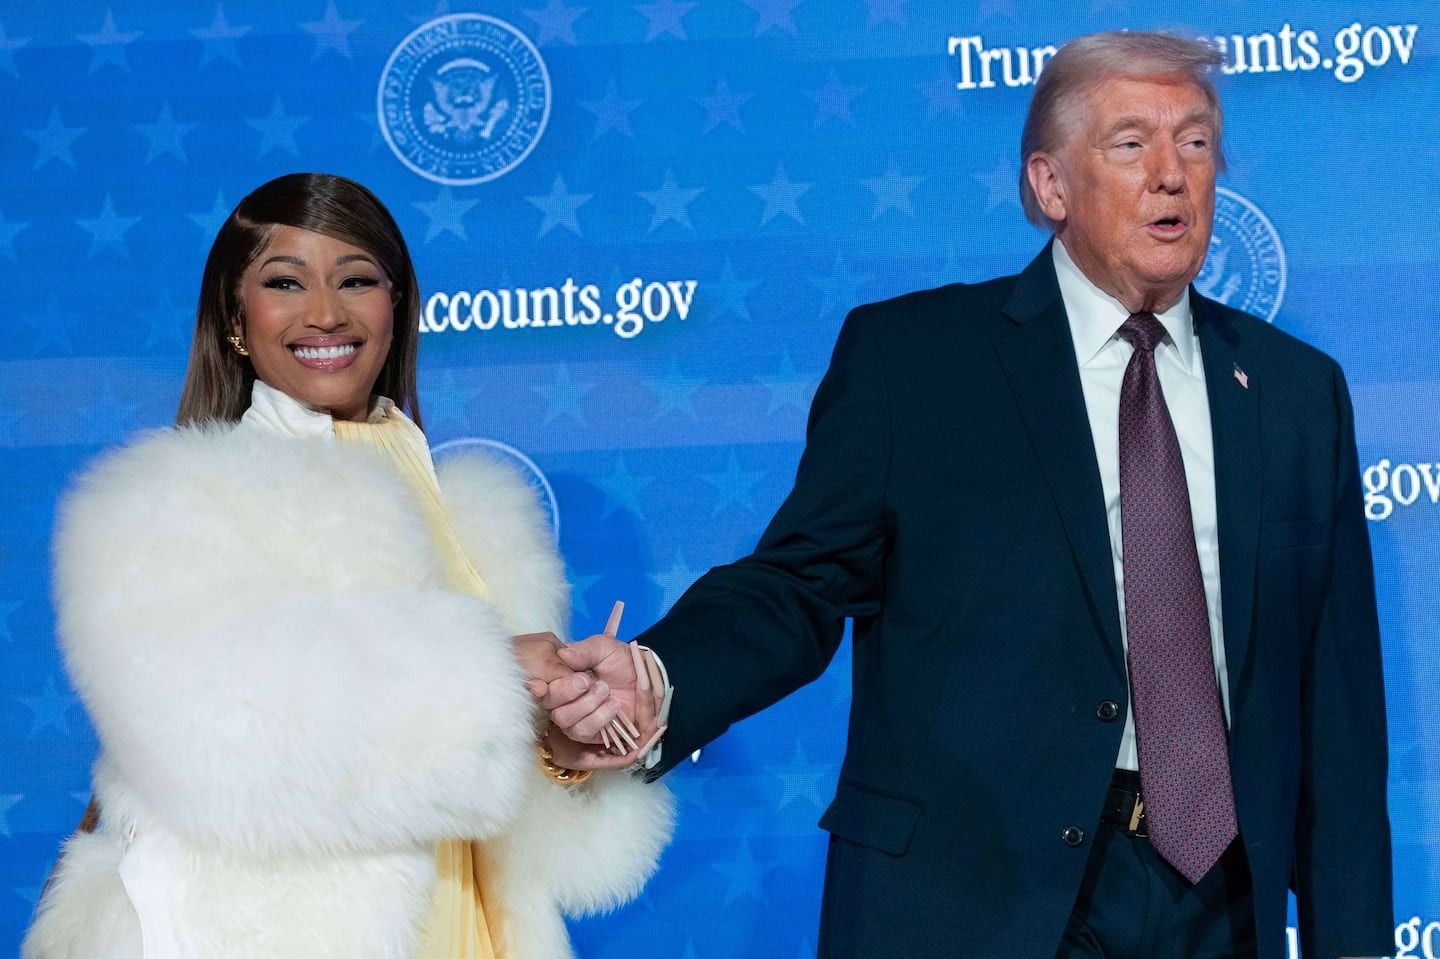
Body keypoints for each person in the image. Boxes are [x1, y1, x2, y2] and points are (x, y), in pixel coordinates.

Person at [528, 31, 1393, 959]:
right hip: (974, 895)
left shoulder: (1295, 392)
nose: (1172, 174)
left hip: (1218, 906)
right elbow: (799, 584)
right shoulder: (917, 362)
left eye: (1195, 141)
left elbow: (1337, 707)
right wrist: (660, 677)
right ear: (1050, 186)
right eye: (1131, 143)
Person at [23, 172, 672, 959]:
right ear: (235, 316)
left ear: (397, 305)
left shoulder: (476, 516)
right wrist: (499, 670)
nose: (326, 312)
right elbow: (232, 742)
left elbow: (488, 799)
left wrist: (565, 742)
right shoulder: (165, 501)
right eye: (285, 282)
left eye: (357, 279)